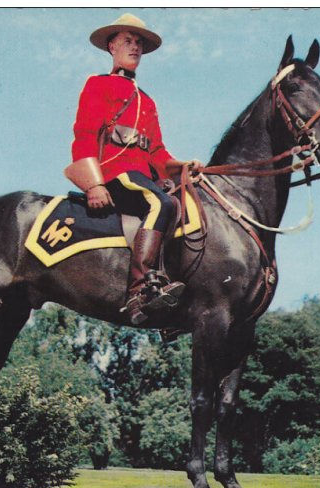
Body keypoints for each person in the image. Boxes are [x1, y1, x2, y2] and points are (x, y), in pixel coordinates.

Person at [65, 13, 200, 325]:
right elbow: (85, 135)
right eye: (128, 41)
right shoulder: (98, 85)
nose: (135, 47)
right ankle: (139, 291)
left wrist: (182, 167)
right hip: (114, 173)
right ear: (112, 46)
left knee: (184, 205)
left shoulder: (147, 101)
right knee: (162, 202)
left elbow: (157, 152)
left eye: (139, 43)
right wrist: (94, 184)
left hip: (143, 176)